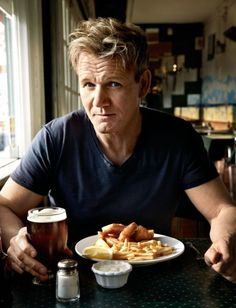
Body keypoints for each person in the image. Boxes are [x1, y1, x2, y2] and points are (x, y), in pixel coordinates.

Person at [0, 17, 236, 283]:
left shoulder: (178, 138)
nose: (98, 101)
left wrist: (226, 241)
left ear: (143, 85)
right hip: (72, 279)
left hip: (152, 277)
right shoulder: (56, 138)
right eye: (88, 84)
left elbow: (221, 211)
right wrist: (14, 239)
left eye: (113, 84)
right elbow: (4, 205)